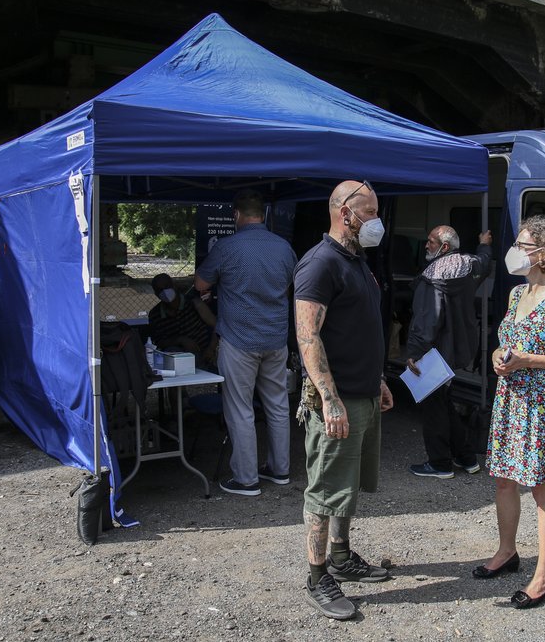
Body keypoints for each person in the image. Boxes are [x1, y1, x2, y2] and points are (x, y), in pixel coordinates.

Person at [473, 216, 545, 610]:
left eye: (523, 245)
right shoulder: (515, 294)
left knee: (542, 491)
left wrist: (527, 360)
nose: (515, 251)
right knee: (505, 481)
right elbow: (505, 344)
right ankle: (507, 553)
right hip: (512, 401)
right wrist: (498, 357)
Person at [294, 179, 395, 620]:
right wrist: (328, 398)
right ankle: (317, 578)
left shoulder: (357, 260)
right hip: (336, 400)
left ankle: (341, 555)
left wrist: (378, 380)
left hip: (364, 392)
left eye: (377, 211)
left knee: (347, 487)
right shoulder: (319, 264)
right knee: (325, 490)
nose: (377, 221)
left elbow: (362, 329)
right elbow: (307, 335)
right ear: (344, 213)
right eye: (370, 212)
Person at [194, 189, 297, 497]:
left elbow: (200, 284)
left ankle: (246, 479)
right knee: (278, 405)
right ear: (264, 215)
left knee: (240, 409)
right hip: (275, 338)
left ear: (236, 216)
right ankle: (280, 470)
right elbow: (294, 284)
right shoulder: (284, 247)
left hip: (239, 340)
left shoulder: (227, 247)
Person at [405, 225, 493, 478]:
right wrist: (484, 243)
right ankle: (466, 458)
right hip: (459, 349)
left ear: (444, 247)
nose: (426, 246)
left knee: (434, 407)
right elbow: (486, 262)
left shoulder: (431, 276)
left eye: (430, 242)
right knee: (444, 403)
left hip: (433, 352)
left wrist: (414, 352)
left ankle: (440, 463)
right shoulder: (470, 264)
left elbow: (426, 319)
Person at [147, 273, 216, 367]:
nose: (165, 291)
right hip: (177, 359)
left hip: (204, 353)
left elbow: (217, 326)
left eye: (167, 287)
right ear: (156, 294)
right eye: (160, 290)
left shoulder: (194, 303)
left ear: (174, 285)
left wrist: (211, 349)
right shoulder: (155, 314)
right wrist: (180, 340)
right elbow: (158, 342)